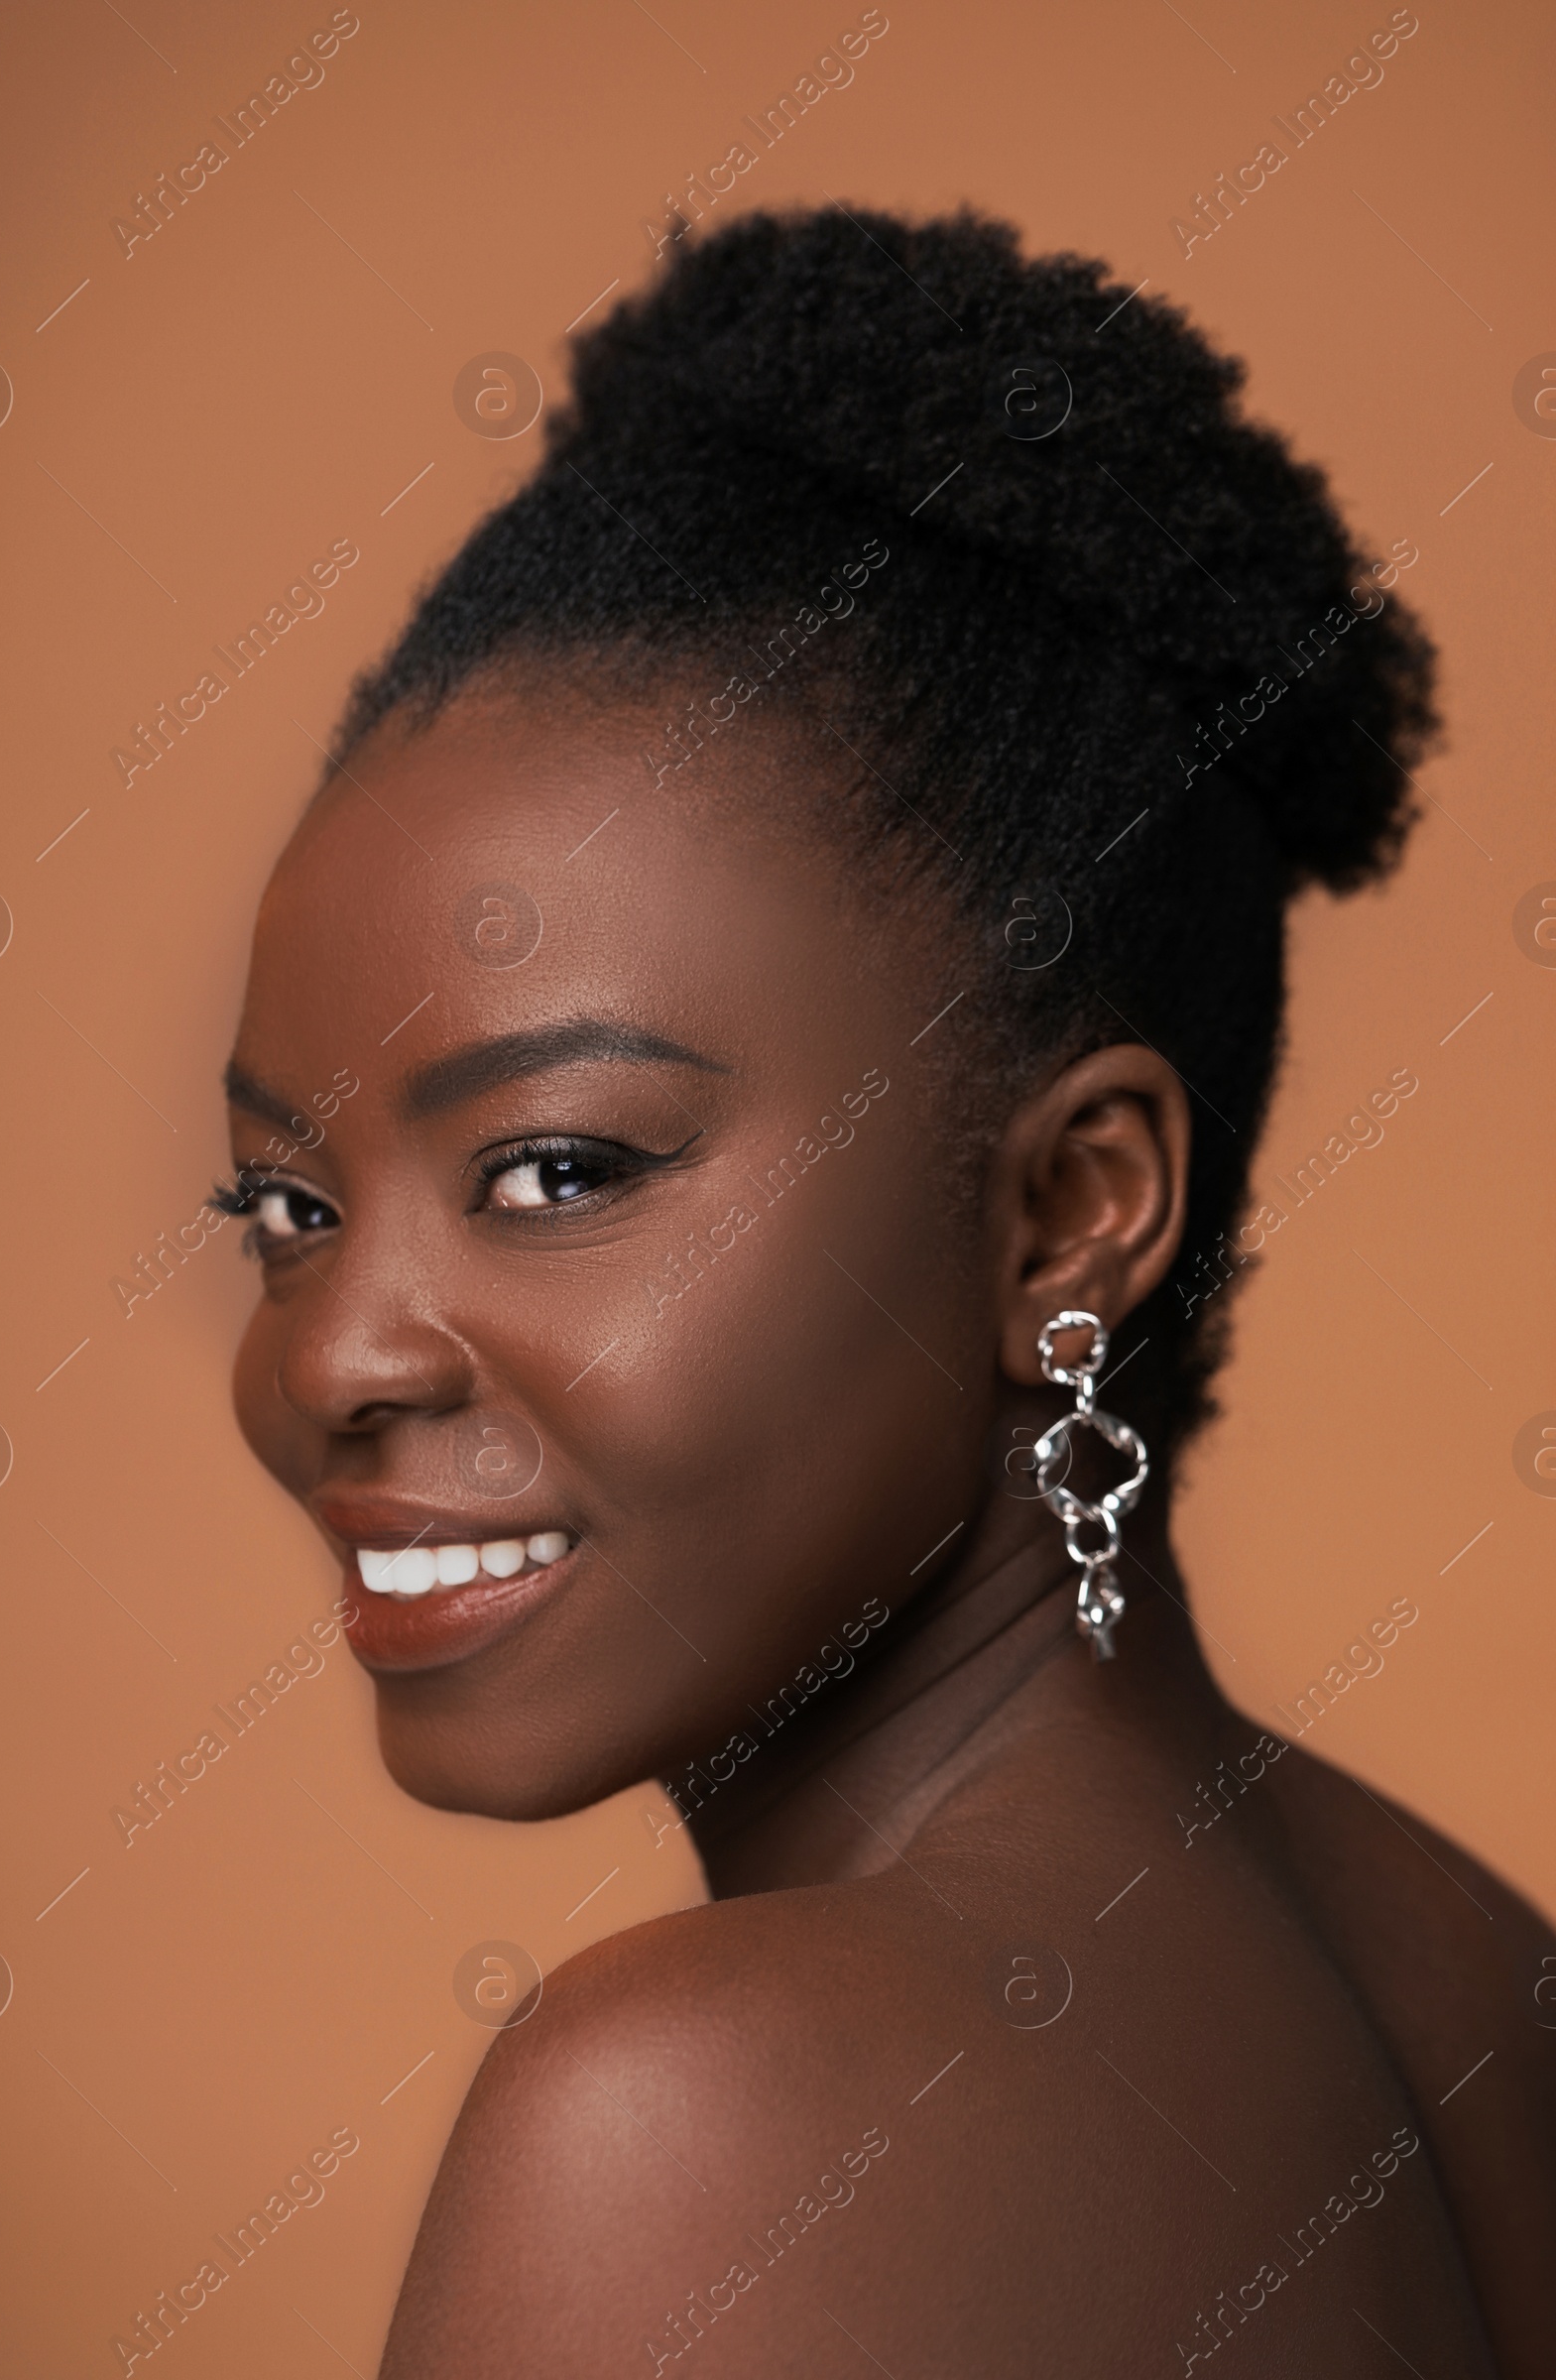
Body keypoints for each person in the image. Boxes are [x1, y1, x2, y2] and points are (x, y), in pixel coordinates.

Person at [216, 208, 1552, 2376]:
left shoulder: (691, 2117)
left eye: (556, 1169)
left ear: (1066, 1214)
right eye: (278, 1203)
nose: (335, 1356)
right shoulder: (1477, 1979)